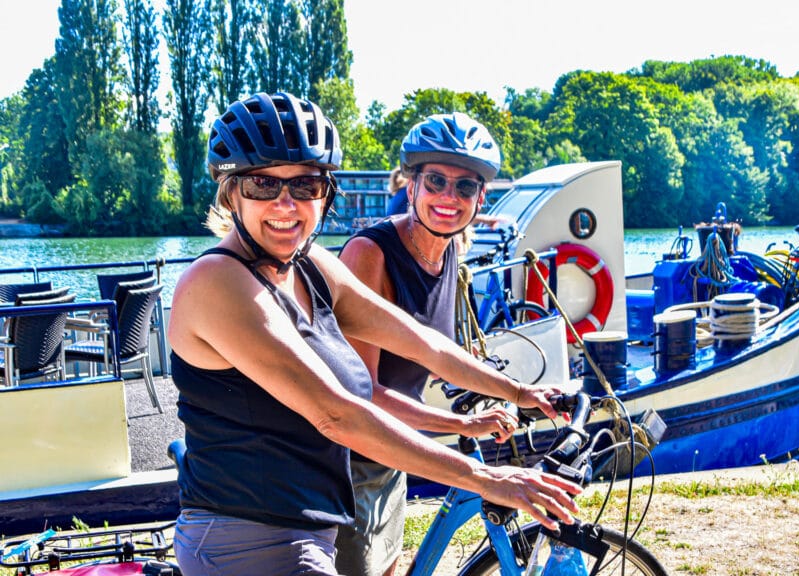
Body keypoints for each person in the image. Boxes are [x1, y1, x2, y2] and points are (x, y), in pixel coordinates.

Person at [169, 92, 580, 576]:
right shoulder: (217, 281)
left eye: (305, 185)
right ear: (230, 193)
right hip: (249, 543)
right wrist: (487, 478)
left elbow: (423, 344)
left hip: (311, 526)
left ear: (325, 193)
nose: (286, 203)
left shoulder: (310, 266)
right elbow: (335, 413)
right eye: (262, 184)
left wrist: (521, 393)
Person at [337, 112, 527, 576]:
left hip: (392, 453)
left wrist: (515, 391)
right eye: (436, 181)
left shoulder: (449, 250)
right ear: (411, 184)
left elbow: (437, 351)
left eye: (465, 188)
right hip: (347, 464)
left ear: (480, 198)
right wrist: (462, 424)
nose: (449, 197)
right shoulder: (370, 255)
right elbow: (363, 393)